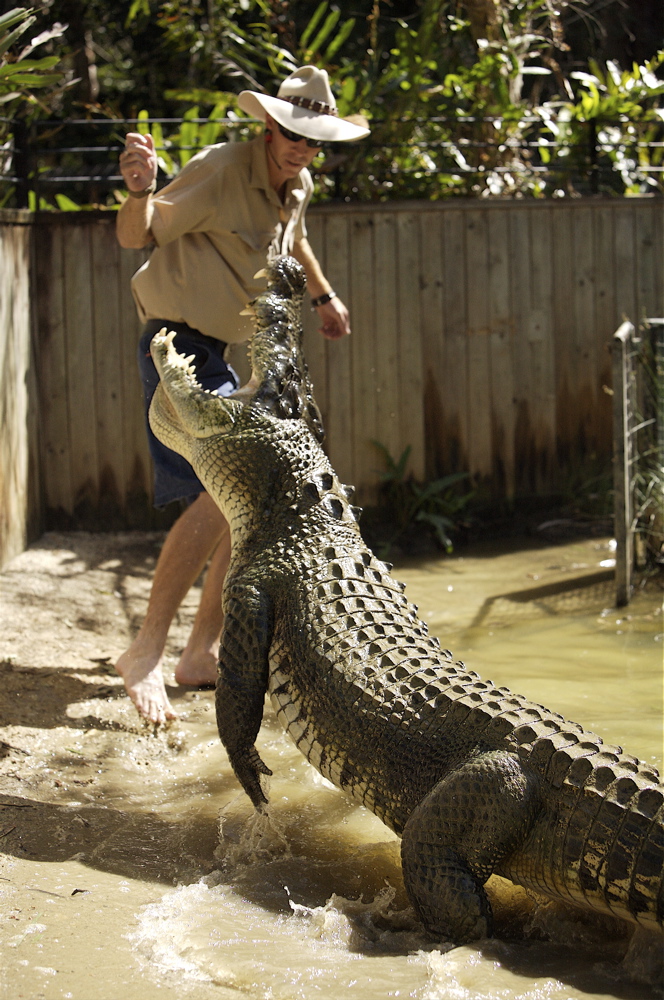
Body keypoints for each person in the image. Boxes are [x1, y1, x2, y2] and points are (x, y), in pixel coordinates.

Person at [115, 66, 370, 725]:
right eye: (293, 134)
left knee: (246, 498)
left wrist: (324, 296)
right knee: (223, 491)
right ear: (269, 127)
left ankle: (200, 652)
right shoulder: (223, 168)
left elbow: (296, 238)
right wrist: (138, 190)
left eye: (313, 140)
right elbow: (140, 233)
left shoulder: (298, 182)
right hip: (175, 346)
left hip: (218, 352)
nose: (302, 148)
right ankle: (145, 651)